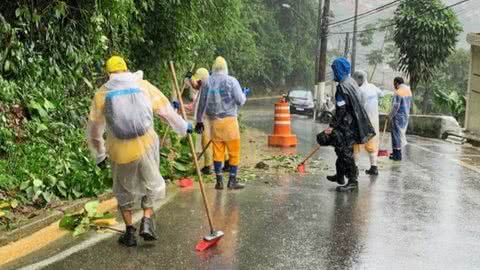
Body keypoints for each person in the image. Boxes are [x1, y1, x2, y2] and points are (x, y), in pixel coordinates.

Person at [87, 56, 192, 247]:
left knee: (123, 189)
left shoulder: (102, 93)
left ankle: (129, 233)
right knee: (151, 181)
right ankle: (147, 220)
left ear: (108, 73)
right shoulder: (143, 85)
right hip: (146, 144)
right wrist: (184, 126)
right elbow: (166, 111)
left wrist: (100, 154)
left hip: (119, 148)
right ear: (126, 69)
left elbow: (94, 129)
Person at [316, 58, 375, 192]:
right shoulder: (351, 82)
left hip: (347, 125)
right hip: (353, 122)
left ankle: (353, 182)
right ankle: (340, 175)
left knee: (345, 153)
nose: (333, 72)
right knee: (340, 150)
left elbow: (341, 110)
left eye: (335, 69)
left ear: (339, 70)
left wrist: (332, 126)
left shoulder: (342, 86)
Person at [195, 56, 249, 190]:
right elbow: (240, 101)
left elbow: (201, 103)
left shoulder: (207, 82)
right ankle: (232, 180)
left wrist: (199, 121)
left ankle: (219, 181)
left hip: (214, 123)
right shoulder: (232, 81)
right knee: (233, 152)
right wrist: (244, 93)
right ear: (225, 68)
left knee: (217, 151)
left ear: (213, 68)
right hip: (230, 122)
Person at [352, 70, 383, 175]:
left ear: (359, 79)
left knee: (356, 144)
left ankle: (355, 168)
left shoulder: (359, 91)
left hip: (362, 122)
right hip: (374, 121)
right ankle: (374, 167)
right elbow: (381, 94)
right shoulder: (373, 87)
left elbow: (356, 107)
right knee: (372, 144)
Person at [389, 77, 412, 161]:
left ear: (397, 83)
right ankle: (396, 153)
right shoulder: (408, 91)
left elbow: (396, 107)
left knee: (396, 135)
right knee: (400, 134)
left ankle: (397, 155)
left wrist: (390, 115)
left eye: (394, 84)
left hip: (397, 117)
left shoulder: (398, 92)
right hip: (405, 116)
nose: (394, 86)